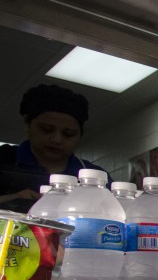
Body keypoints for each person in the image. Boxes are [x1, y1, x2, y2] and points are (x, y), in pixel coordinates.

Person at [0, 84, 101, 213]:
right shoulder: (4, 159)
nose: (56, 139)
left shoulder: (95, 177)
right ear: (27, 123)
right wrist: (15, 198)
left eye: (68, 134)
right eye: (46, 129)